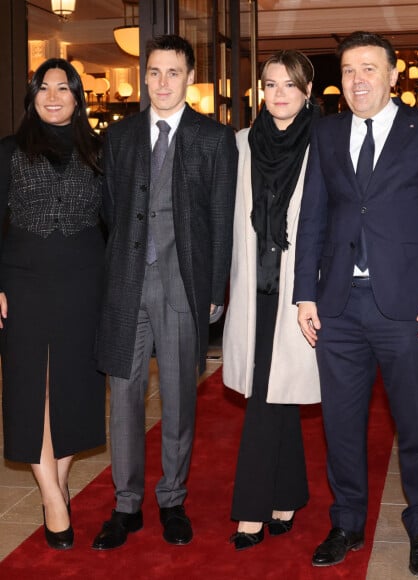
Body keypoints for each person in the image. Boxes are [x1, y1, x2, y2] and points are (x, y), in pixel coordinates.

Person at [293, 31, 418, 575]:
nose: (357, 79)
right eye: (347, 70)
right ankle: (346, 523)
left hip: (409, 307)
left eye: (369, 68)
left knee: (414, 425)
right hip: (338, 306)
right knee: (341, 426)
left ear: (393, 75)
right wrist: (304, 295)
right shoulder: (326, 132)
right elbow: (313, 216)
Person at [91, 34, 237, 550]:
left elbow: (221, 219)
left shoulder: (213, 139)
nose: (162, 83)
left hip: (182, 287)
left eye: (173, 73)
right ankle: (126, 505)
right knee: (123, 399)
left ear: (190, 78)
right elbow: (109, 208)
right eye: (153, 72)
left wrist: (217, 286)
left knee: (179, 401)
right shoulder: (121, 136)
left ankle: (172, 499)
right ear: (145, 75)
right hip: (127, 285)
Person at [0, 58, 106, 550]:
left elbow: (115, 224)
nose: (54, 95)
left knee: (74, 387)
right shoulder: (8, 152)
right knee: (30, 390)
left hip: (85, 283)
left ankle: (58, 480)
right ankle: (52, 497)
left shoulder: (99, 153)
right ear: (32, 97)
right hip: (23, 283)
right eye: (45, 88)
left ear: (78, 97)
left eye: (64, 87)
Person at [222, 50, 320, 551]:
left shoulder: (323, 143)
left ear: (307, 90)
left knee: (268, 396)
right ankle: (288, 494)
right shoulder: (239, 144)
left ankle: (251, 510)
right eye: (269, 84)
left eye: (288, 84)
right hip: (253, 291)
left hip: (300, 294)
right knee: (271, 393)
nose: (277, 94)